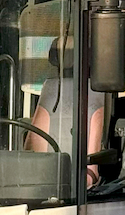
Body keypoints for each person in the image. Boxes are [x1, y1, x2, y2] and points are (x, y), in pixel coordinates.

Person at [27, 39, 106, 185]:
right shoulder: (51, 90)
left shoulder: (94, 93)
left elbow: (90, 169)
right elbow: (30, 153)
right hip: (42, 185)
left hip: (74, 190)